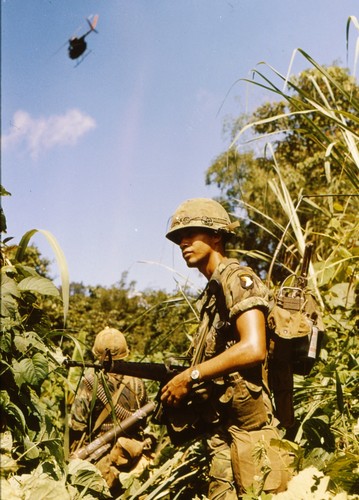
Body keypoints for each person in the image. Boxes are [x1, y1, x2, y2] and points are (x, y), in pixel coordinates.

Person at [160, 198, 292, 499]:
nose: (183, 242)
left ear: (216, 236)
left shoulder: (239, 279)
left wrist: (190, 377)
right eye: (180, 237)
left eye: (192, 233)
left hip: (251, 436)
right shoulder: (213, 293)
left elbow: (253, 347)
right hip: (225, 436)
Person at [69, 327, 152, 495]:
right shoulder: (138, 383)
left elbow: (77, 425)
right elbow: (145, 421)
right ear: (125, 353)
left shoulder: (90, 383)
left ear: (97, 355)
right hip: (130, 458)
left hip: (99, 461)